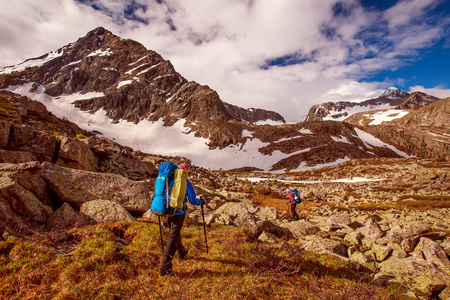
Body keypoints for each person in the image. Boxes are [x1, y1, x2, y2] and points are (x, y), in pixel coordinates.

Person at [160, 163, 205, 276]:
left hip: (166, 210)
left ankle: (181, 252)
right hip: (179, 212)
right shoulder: (184, 181)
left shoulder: (167, 179)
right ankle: (165, 268)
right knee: (173, 236)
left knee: (174, 233)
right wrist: (201, 202)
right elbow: (192, 200)